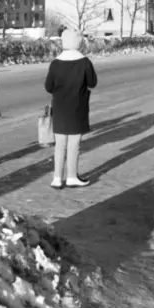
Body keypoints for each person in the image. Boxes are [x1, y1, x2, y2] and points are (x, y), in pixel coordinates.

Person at [44, 29, 98, 189]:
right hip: (77, 107)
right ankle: (72, 176)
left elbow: (48, 86)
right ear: (79, 42)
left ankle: (57, 177)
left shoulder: (55, 63)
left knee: (60, 144)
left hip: (60, 107)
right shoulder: (84, 62)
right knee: (74, 144)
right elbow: (92, 83)